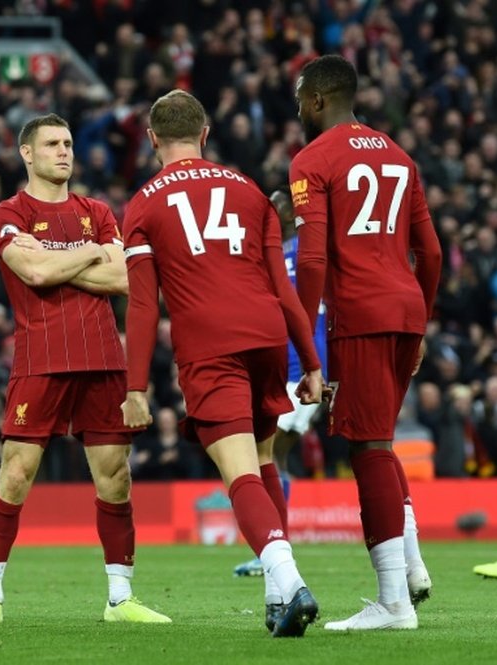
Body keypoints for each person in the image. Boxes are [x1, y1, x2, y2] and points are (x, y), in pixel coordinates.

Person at [121, 90, 325, 637]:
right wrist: (309, 362)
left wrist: (135, 386)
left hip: (211, 345)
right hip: (266, 335)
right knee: (262, 461)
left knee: (237, 473)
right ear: (206, 134)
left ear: (152, 139)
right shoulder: (251, 191)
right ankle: (274, 599)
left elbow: (143, 305)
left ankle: (292, 581)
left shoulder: (143, 204)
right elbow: (283, 287)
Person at [0, 113, 170, 626]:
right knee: (16, 474)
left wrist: (63, 263)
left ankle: (121, 600)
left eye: (69, 143)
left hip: (102, 359)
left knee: (115, 477)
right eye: (52, 144)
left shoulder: (97, 210)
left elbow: (126, 279)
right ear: (27, 153)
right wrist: (89, 254)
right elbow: (31, 271)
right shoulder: (8, 212)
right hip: (41, 360)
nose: (65, 152)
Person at [291, 55, 442, 630]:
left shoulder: (313, 159)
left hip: (360, 314)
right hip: (405, 310)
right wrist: (422, 319)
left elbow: (311, 256)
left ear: (321, 100)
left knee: (368, 448)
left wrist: (305, 344)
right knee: (378, 441)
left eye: (302, 99)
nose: (299, 109)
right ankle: (412, 568)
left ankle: (395, 604)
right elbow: (431, 253)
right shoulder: (399, 156)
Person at [233, 189, 328, 579]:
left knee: (267, 456)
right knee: (270, 456)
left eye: (277, 204)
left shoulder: (303, 251)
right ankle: (276, 545)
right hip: (290, 370)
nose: (271, 210)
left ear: (291, 210)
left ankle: (275, 546)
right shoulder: (289, 253)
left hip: (302, 371)